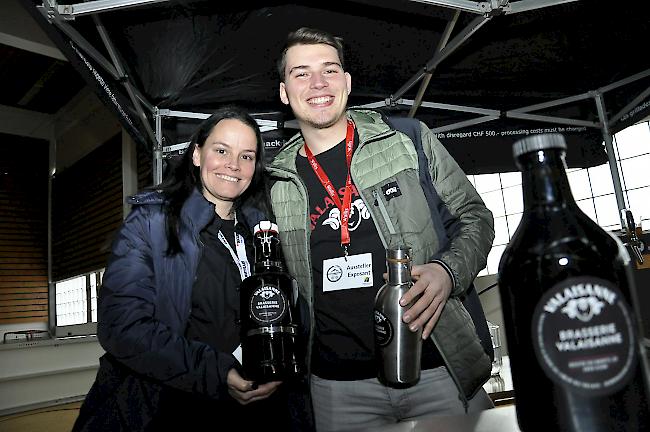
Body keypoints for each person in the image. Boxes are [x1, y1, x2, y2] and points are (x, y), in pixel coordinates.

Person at [267, 27, 496, 431]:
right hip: (338, 390)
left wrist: (448, 271)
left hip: (436, 369)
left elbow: (475, 216)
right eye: (301, 73)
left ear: (347, 82)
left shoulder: (407, 139)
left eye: (330, 70)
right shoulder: (276, 180)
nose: (318, 84)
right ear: (284, 92)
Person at [72, 105, 304, 431]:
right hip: (172, 408)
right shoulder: (153, 222)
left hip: (258, 407)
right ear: (197, 155)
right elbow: (122, 327)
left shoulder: (263, 233)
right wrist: (217, 372)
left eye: (247, 156)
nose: (233, 165)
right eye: (221, 150)